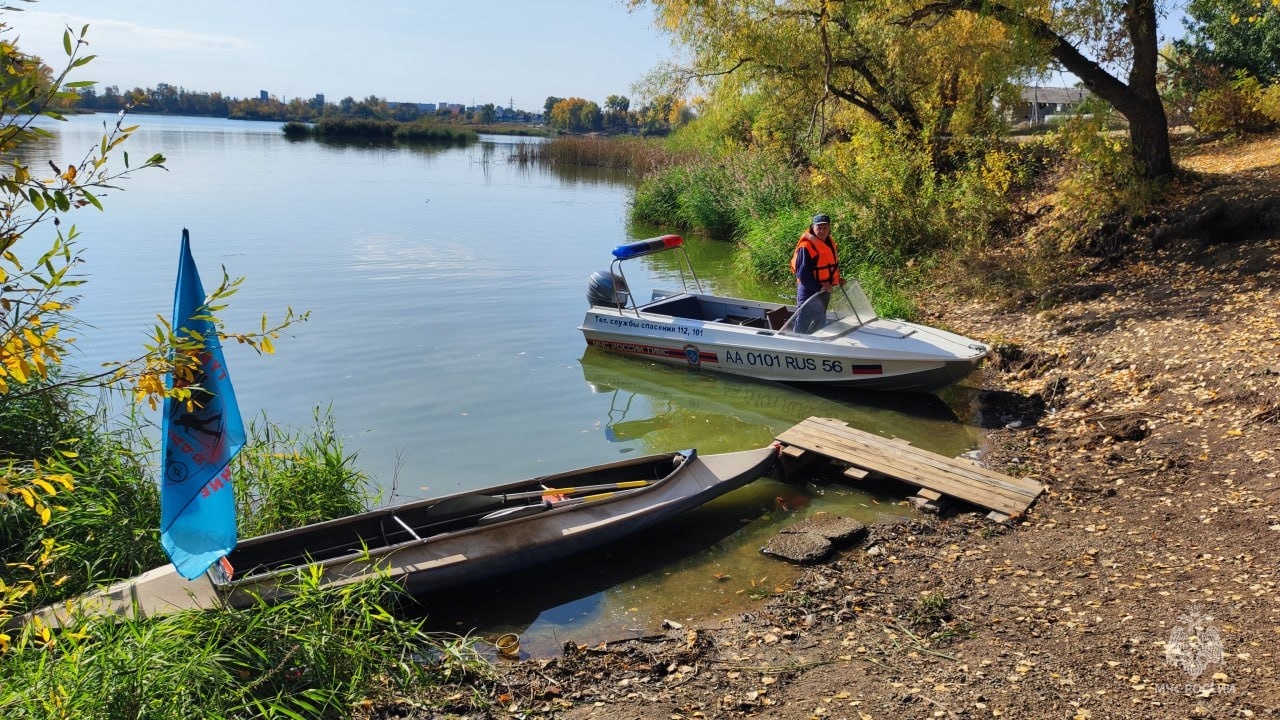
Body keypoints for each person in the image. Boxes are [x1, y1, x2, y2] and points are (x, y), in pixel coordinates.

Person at [791, 213, 842, 305]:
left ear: (829, 228)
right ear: (813, 228)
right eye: (819, 228)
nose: (822, 231)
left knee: (820, 317)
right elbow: (803, 275)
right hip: (808, 289)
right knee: (805, 318)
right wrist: (819, 287)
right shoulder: (806, 247)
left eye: (825, 227)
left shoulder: (829, 243)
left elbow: (830, 266)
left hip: (825, 288)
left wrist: (837, 280)